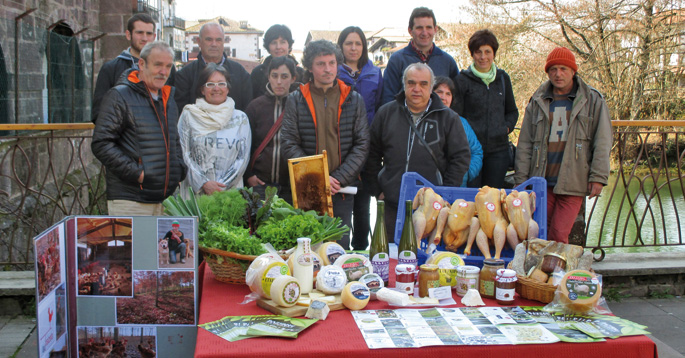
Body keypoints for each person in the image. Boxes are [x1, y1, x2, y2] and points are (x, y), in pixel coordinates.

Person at [514, 47, 612, 244]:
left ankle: (557, 274)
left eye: (563, 69)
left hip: (573, 181)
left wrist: (598, 177)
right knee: (538, 233)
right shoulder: (537, 100)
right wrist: (521, 181)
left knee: (559, 235)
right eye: (553, 69)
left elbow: (602, 140)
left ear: (573, 71)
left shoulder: (592, 99)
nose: (558, 74)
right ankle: (537, 274)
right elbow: (524, 142)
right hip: (541, 180)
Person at [281, 40, 370, 250]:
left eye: (331, 63)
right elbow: (288, 141)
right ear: (310, 67)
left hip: (341, 188)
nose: (327, 69)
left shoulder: (353, 99)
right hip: (307, 187)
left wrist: (337, 178)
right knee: (306, 249)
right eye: (321, 64)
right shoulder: (296, 99)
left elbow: (362, 144)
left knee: (337, 248)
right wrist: (318, 176)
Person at [365, 63, 470, 240]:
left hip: (431, 207)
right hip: (392, 204)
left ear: (431, 87)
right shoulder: (386, 113)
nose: (416, 89)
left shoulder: (448, 118)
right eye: (411, 83)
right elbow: (371, 153)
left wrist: (443, 193)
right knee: (391, 257)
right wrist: (378, 190)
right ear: (404, 84)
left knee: (426, 262)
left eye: (423, 84)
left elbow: (460, 158)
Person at [92, 41, 187, 216]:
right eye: (158, 65)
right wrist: (138, 174)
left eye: (168, 66)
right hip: (131, 200)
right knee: (137, 245)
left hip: (165, 200)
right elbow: (101, 143)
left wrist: (178, 170)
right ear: (141, 64)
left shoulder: (168, 99)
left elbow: (173, 140)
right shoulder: (119, 96)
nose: (163, 72)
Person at [336, 26, 383, 250]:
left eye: (358, 43)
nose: (353, 48)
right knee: (342, 198)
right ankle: (338, 248)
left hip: (368, 143)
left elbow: (381, 106)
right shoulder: (334, 71)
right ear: (341, 46)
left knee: (363, 203)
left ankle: (361, 248)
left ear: (363, 47)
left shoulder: (374, 73)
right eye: (348, 43)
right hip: (341, 142)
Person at [453, 29, 518, 188]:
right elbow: (455, 116)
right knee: (472, 198)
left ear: (494, 54)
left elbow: (512, 111)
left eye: (487, 52)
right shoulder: (462, 80)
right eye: (478, 52)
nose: (483, 57)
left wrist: (505, 128)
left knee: (492, 199)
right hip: (472, 152)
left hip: (498, 152)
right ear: (472, 54)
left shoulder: (503, 79)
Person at [178, 63, 251, 196]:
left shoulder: (240, 119)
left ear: (228, 88)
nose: (216, 88)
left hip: (229, 194)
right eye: (210, 84)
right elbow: (183, 153)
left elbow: (242, 158)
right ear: (202, 89)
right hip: (195, 193)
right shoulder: (189, 115)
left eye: (221, 83)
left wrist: (221, 187)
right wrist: (203, 183)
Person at [92, 13, 176, 122]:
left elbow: (172, 105)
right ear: (128, 34)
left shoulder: (167, 69)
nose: (145, 38)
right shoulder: (111, 68)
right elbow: (99, 112)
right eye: (140, 33)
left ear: (154, 37)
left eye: (149, 33)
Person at [244, 56, 299, 203]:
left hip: (290, 186)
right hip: (260, 184)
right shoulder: (255, 107)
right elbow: (245, 146)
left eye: (284, 76)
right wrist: (248, 175)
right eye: (274, 76)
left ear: (293, 78)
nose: (279, 81)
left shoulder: (301, 106)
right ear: (268, 77)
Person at [380, 7, 459, 105]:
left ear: (435, 29)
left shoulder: (448, 61)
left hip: (439, 119)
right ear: (410, 31)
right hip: (405, 119)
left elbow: (456, 98)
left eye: (428, 27)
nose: (424, 33)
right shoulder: (397, 60)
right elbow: (388, 98)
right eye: (419, 28)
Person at [175, 22, 252, 112]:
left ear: (224, 41)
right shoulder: (184, 75)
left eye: (218, 40)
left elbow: (248, 108)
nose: (214, 44)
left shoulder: (240, 73)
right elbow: (181, 111)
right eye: (209, 39)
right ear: (199, 41)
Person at [433, 76, 483, 187]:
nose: (443, 97)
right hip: (429, 186)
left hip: (457, 188)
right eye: (439, 92)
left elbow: (477, 151)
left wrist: (466, 173)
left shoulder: (461, 122)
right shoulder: (424, 121)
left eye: (448, 94)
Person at [250, 24, 305, 99]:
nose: (278, 47)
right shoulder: (258, 73)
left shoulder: (301, 73)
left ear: (289, 45)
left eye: (282, 42)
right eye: (274, 43)